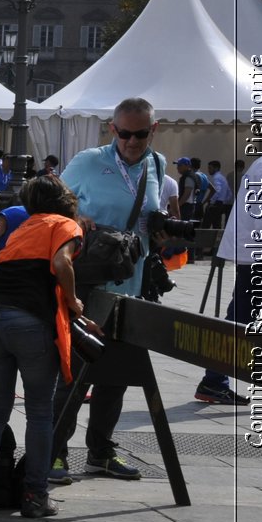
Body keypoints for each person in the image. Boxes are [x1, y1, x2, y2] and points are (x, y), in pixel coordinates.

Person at [48, 97, 169, 482]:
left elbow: (147, 219)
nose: (133, 142)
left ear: (154, 129)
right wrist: (75, 217)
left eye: (142, 134)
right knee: (74, 372)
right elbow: (51, 206)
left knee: (116, 374)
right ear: (112, 129)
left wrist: (160, 232)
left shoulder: (157, 164)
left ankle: (100, 451)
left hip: (131, 285)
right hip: (88, 285)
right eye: (126, 133)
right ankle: (54, 451)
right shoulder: (88, 161)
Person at [0, 176, 89, 520]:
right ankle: (34, 495)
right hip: (29, 320)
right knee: (39, 412)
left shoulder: (19, 229)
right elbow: (62, 263)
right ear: (65, 200)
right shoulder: (64, 224)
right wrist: (75, 301)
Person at [193, 149, 262, 406]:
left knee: (238, 320)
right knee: (238, 321)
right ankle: (213, 381)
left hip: (257, 258)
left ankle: (213, 382)